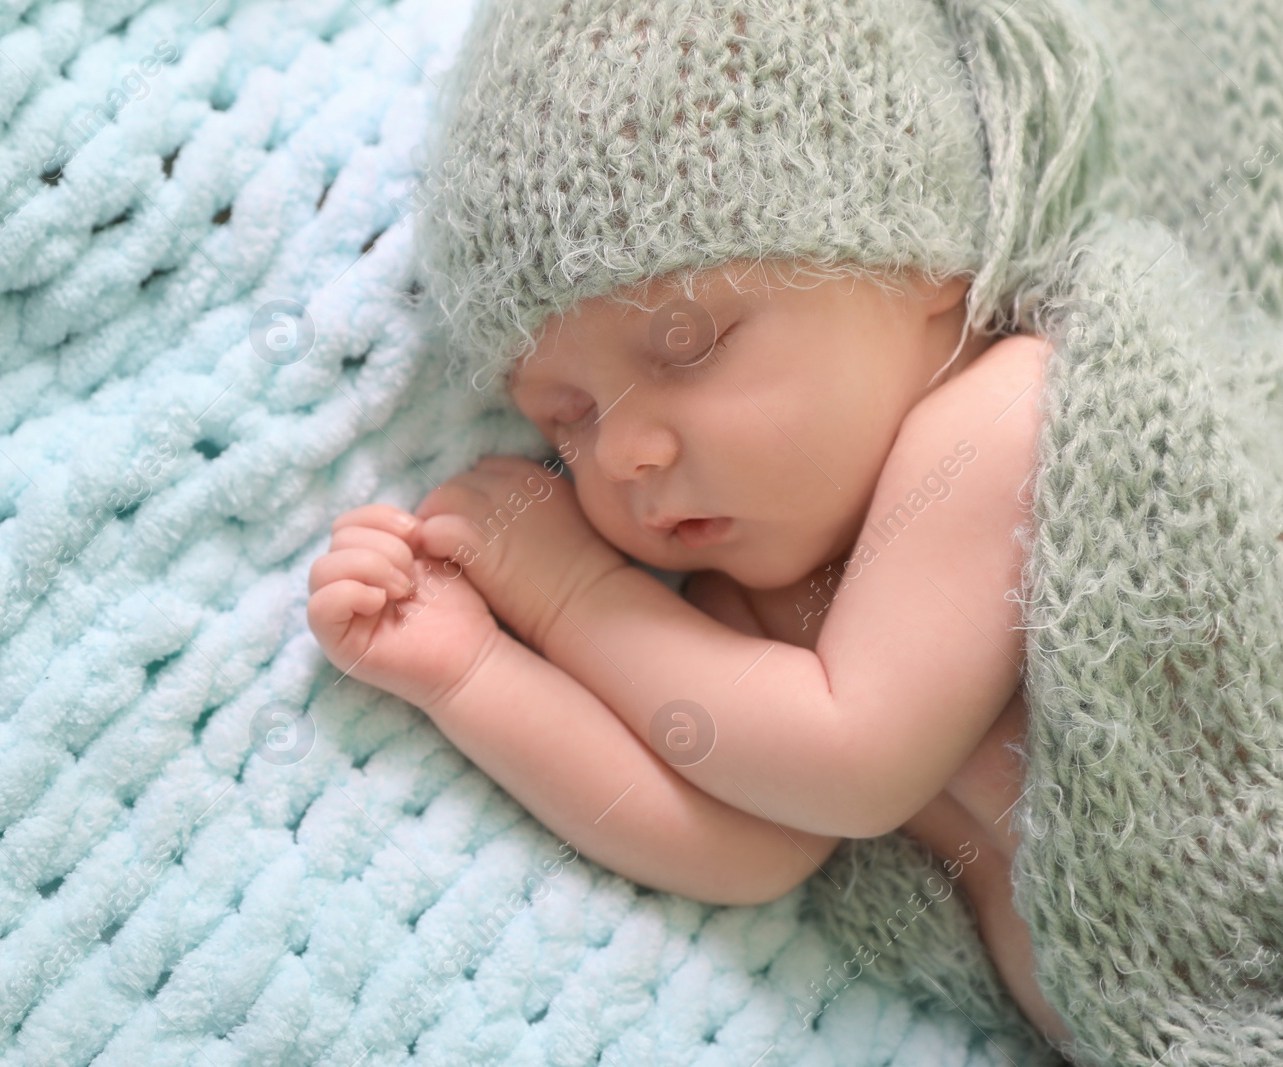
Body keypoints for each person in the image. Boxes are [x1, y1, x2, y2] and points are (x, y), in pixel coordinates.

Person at [308, 0, 1115, 1059]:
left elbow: (853, 759)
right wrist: (470, 673)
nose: (624, 451)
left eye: (686, 347)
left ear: (921, 264)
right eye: (566, 416)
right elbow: (744, 848)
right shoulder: (755, 616)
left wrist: (572, 596)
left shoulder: (1008, 417)